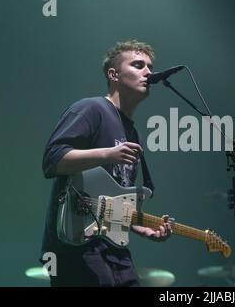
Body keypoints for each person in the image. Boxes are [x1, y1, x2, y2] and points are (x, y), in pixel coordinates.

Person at [40, 40, 172, 287]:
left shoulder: (133, 134)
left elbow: (110, 199)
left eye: (150, 67)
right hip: (77, 245)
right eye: (138, 65)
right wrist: (108, 154)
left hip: (113, 248)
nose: (149, 73)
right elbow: (52, 159)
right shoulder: (91, 109)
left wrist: (137, 225)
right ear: (113, 74)